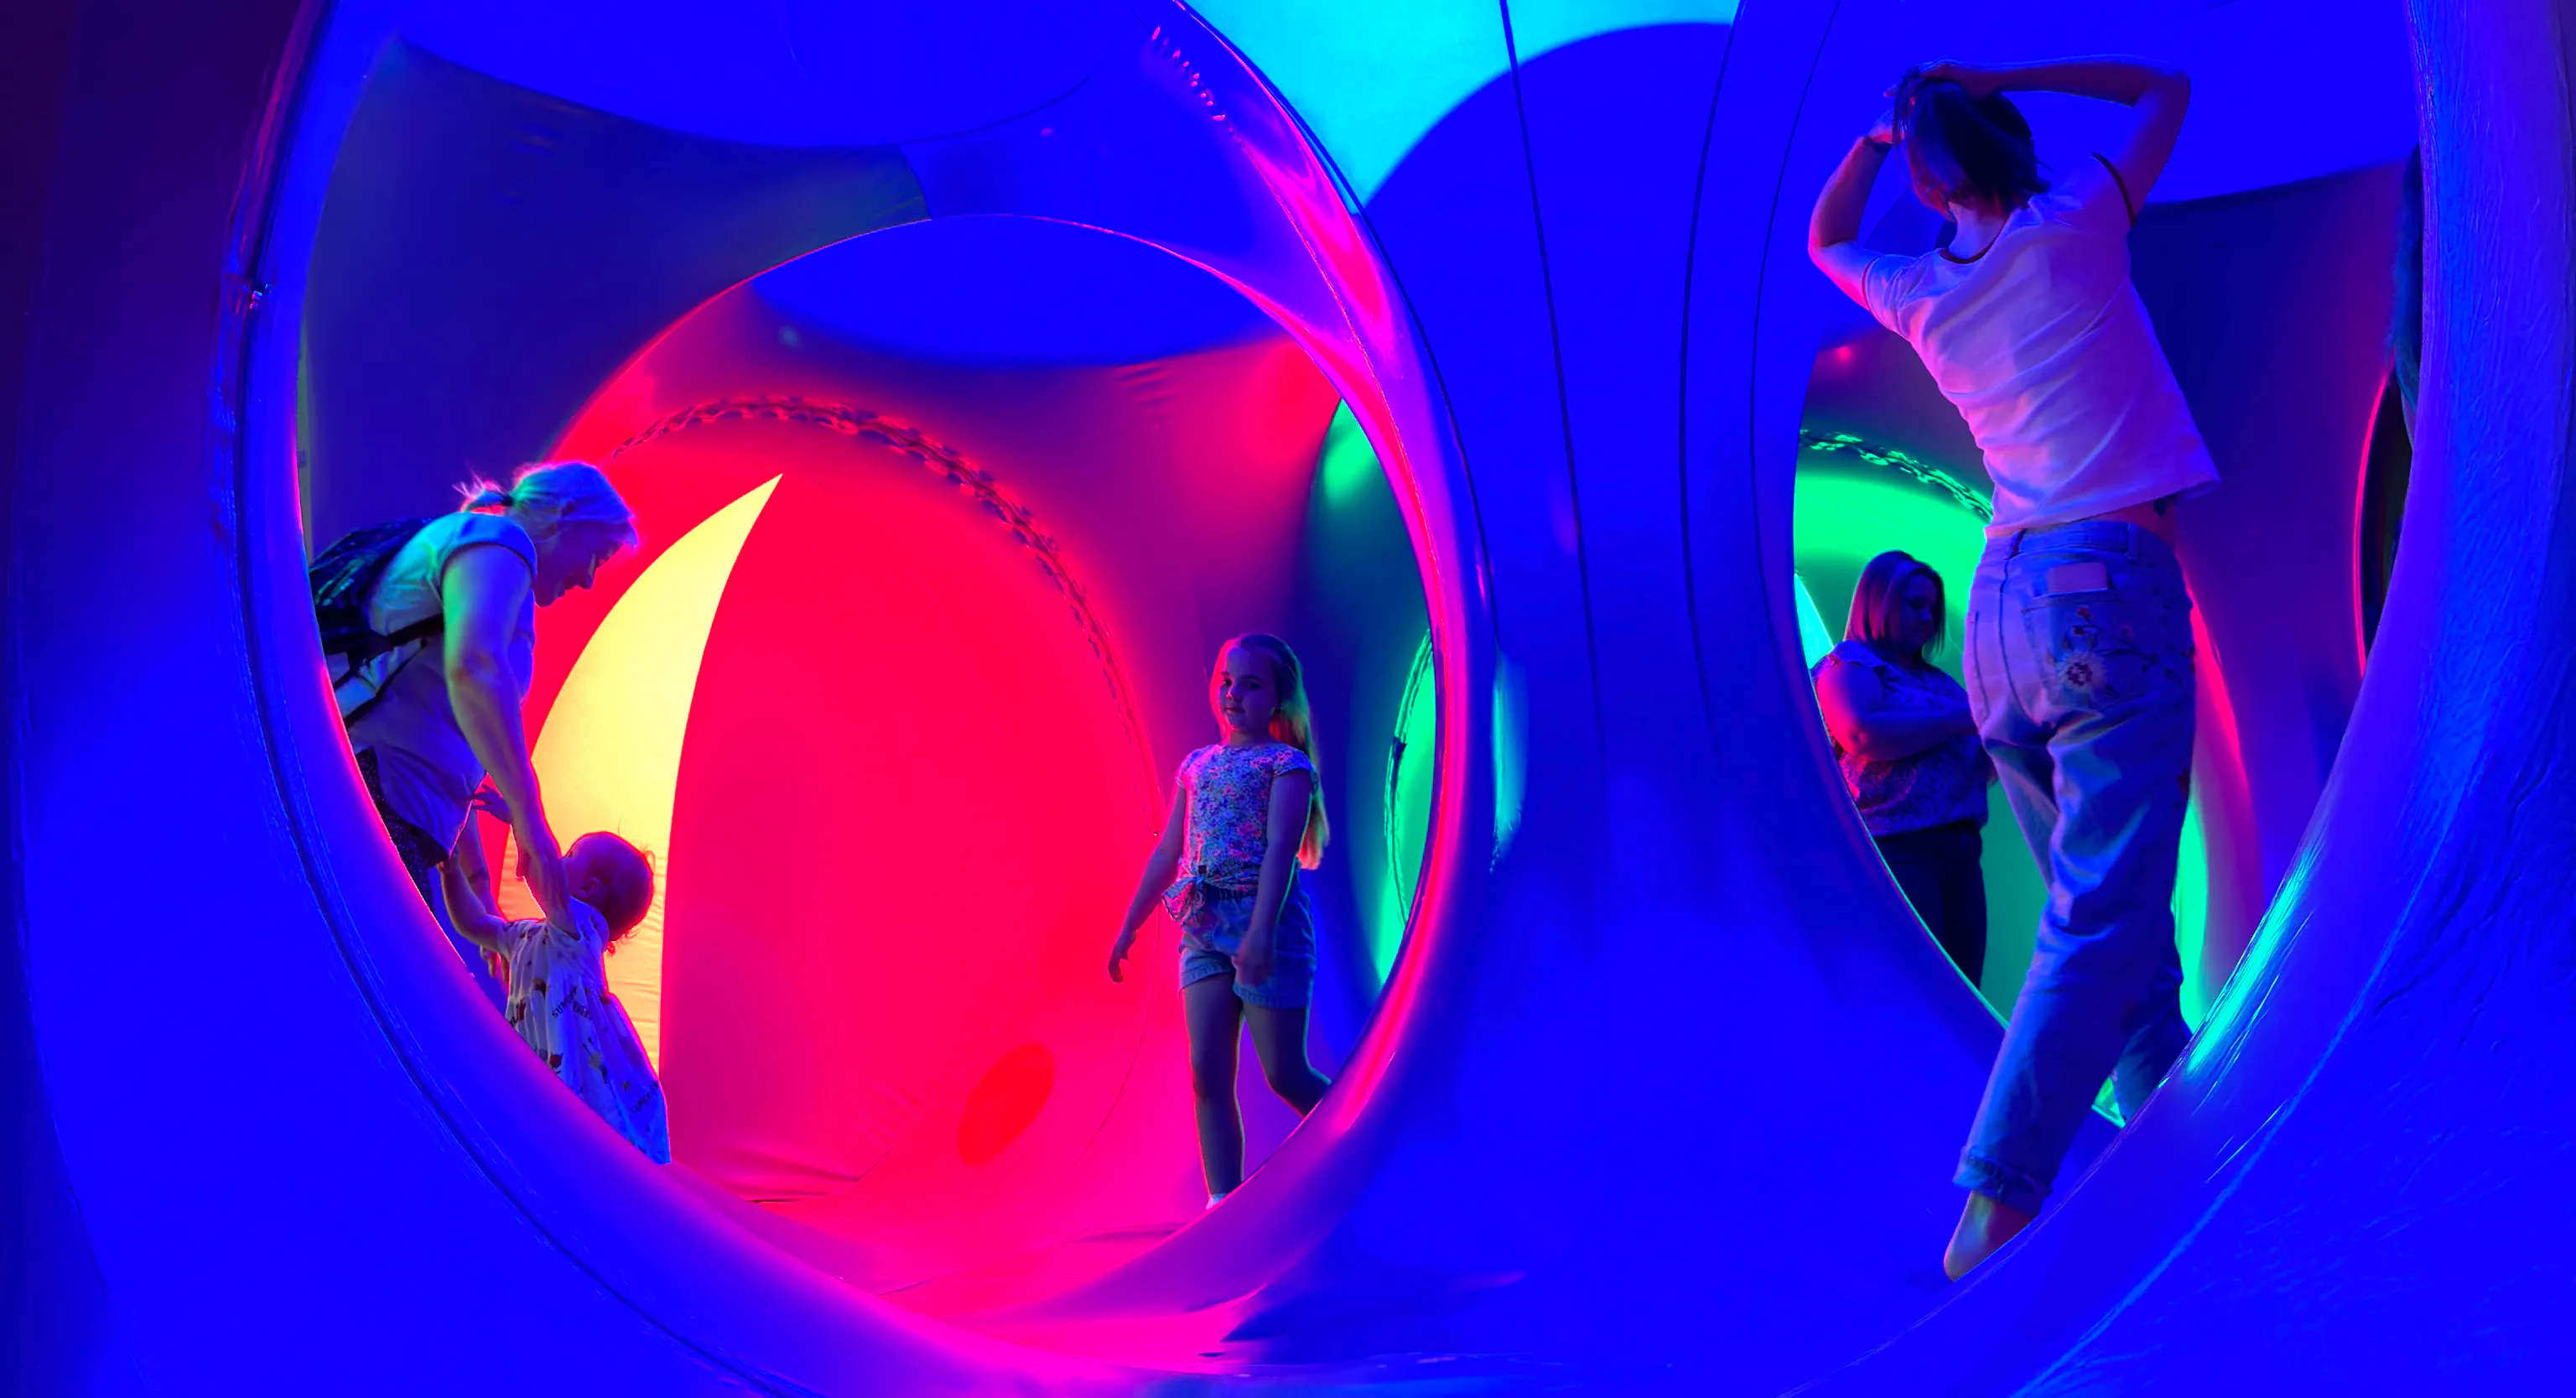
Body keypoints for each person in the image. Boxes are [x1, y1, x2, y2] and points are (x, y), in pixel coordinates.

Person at [1809, 57, 2218, 1279]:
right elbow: (2165, 89)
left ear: (1931, 182)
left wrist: (1877, 138)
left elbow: (1826, 237)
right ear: (2012, 140)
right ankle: (1996, 1200)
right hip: (2104, 585)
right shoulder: (2075, 218)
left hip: (1999, 608)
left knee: (2116, 923)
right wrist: (2013, 71)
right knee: (2104, 910)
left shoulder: (1923, 289)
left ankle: (2174, 1169)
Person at [333, 461, 636, 933]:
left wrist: (481, 893)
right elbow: (474, 667)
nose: (590, 580)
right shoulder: (501, 542)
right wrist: (529, 818)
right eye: (598, 556)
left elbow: (455, 733)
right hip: (375, 797)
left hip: (399, 813)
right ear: (565, 516)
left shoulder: (502, 568)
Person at [1107, 634, 1332, 1208]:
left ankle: (1353, 1135)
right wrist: (1131, 923)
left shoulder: (1286, 765)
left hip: (1265, 921)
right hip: (1202, 925)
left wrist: (1260, 931)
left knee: (1285, 1073)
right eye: (1227, 681)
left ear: (1278, 698)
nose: (1234, 694)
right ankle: (1222, 1203)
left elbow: (1280, 851)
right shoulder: (1197, 765)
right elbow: (1168, 851)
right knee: (1206, 1072)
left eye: (1251, 685)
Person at [442, 788, 669, 1163]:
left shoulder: (583, 934)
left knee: (578, 1132)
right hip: (534, 1067)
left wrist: (521, 820)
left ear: (589, 888)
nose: (558, 857)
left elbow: (543, 880)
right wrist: (449, 869)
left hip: (571, 1076)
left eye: (570, 854)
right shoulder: (531, 935)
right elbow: (476, 924)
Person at [1813, 551, 1990, 985]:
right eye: (1915, 604)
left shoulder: (1939, 681)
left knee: (1963, 990)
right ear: (1879, 602)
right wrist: (1962, 719)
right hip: (1897, 847)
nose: (1928, 618)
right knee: (1917, 985)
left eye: (1932, 608)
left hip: (1961, 850)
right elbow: (1861, 734)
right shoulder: (1849, 666)